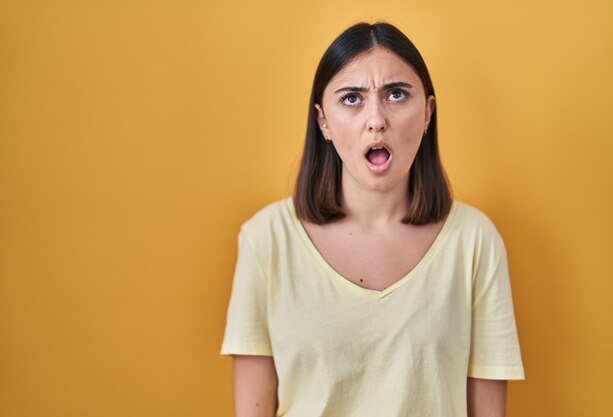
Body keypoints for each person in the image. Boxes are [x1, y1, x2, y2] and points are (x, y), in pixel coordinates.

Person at [220, 21, 524, 417]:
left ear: (428, 112)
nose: (376, 119)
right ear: (323, 121)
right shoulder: (265, 240)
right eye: (351, 99)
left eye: (396, 94)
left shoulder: (474, 241)